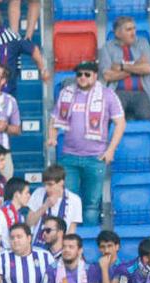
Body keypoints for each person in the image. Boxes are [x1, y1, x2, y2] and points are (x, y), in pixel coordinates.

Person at [48, 62, 124, 229]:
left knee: (91, 204)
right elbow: (54, 118)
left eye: (87, 74)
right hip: (69, 157)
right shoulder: (66, 93)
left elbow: (120, 123)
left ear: (95, 76)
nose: (82, 77)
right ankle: (70, 240)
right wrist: (52, 136)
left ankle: (88, 241)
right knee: (67, 202)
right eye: (79, 74)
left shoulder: (108, 95)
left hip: (95, 158)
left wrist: (110, 150)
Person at [99, 15, 150, 122]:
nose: (133, 33)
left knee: (146, 117)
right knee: (113, 119)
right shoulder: (107, 47)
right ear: (118, 33)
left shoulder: (143, 43)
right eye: (128, 29)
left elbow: (148, 69)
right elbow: (107, 76)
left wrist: (121, 67)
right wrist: (137, 66)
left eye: (134, 28)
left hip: (141, 92)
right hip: (118, 92)